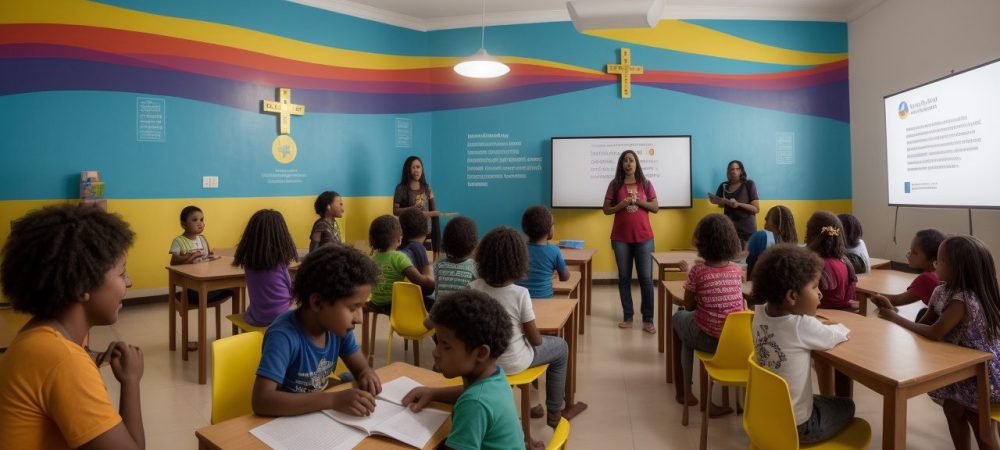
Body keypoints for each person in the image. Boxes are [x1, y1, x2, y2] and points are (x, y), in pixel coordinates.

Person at [0, 204, 146, 449]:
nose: (128, 283)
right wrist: (131, 380)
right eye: (122, 274)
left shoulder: (35, 335)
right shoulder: (64, 360)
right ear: (82, 288)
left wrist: (88, 359)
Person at [872, 235, 1000, 449]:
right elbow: (923, 325)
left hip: (982, 375)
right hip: (958, 368)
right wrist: (892, 310)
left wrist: (895, 317)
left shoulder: (964, 299)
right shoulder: (941, 291)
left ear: (957, 267)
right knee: (952, 410)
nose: (935, 264)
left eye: (940, 260)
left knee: (982, 429)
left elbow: (934, 333)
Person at [251, 244, 383, 417]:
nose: (359, 318)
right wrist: (333, 400)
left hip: (317, 415)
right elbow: (262, 401)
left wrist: (366, 374)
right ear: (317, 303)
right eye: (353, 308)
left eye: (362, 307)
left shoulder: (339, 329)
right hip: (285, 420)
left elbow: (361, 368)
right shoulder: (284, 335)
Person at [471, 227, 581, 430]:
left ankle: (532, 403)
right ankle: (555, 414)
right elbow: (536, 341)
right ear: (519, 261)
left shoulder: (474, 287)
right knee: (561, 348)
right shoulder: (520, 293)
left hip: (482, 362)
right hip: (513, 362)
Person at [750, 244, 854, 444]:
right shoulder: (801, 326)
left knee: (822, 401)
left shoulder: (759, 313)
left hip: (765, 417)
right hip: (800, 427)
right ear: (792, 296)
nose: (820, 294)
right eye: (815, 287)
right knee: (847, 405)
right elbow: (834, 336)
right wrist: (841, 326)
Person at [401, 290, 532, 450]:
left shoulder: (474, 405)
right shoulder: (495, 376)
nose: (435, 352)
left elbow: (473, 400)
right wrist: (433, 393)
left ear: (481, 353)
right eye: (438, 342)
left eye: (446, 346)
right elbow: (469, 393)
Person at [672, 214, 745, 414]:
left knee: (679, 318)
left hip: (708, 338)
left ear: (701, 242)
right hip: (735, 341)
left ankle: (685, 391)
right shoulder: (737, 270)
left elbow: (688, 305)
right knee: (691, 326)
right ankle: (728, 401)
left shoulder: (698, 272)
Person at [602, 150, 659, 333]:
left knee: (646, 279)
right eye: (625, 161)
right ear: (621, 164)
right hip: (621, 239)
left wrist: (637, 202)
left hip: (644, 238)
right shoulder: (615, 184)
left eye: (631, 160)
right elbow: (606, 210)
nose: (628, 163)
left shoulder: (646, 183)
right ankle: (628, 316)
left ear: (636, 164)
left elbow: (655, 207)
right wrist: (622, 204)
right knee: (624, 278)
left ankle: (648, 319)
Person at [167, 205, 233, 350]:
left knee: (234, 288)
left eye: (202, 220)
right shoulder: (179, 241)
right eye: (195, 220)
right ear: (184, 224)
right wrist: (189, 258)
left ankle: (235, 338)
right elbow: (174, 261)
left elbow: (208, 257)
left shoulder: (203, 240)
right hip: (191, 288)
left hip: (206, 282)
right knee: (230, 289)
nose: (200, 223)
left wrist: (213, 258)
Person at [232, 209, 299, 327]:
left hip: (256, 317)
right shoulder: (279, 265)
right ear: (281, 236)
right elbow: (289, 293)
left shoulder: (249, 263)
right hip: (280, 319)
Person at [871, 228, 946, 322]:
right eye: (911, 250)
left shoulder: (927, 278)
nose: (909, 254)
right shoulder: (940, 274)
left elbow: (897, 300)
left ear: (932, 259)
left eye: (914, 252)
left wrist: (869, 294)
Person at [367, 215, 435, 315]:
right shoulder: (399, 257)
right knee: (432, 303)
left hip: (376, 303)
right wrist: (430, 274)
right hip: (393, 306)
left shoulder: (373, 259)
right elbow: (420, 281)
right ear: (399, 239)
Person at [804, 212, 858, 311]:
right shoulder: (844, 261)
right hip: (844, 314)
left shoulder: (814, 264)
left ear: (810, 235)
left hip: (820, 315)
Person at [517, 205, 570, 298]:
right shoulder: (554, 251)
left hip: (520, 300)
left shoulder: (517, 249)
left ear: (525, 228)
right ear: (550, 229)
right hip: (544, 299)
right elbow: (565, 277)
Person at [393, 156, 442, 255]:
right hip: (408, 234)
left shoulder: (427, 188)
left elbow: (434, 211)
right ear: (408, 169)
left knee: (426, 262)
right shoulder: (401, 188)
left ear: (422, 169)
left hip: (426, 233)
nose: (416, 170)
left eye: (418, 167)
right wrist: (412, 210)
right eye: (413, 167)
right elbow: (395, 211)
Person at [709, 160, 759, 245]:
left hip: (747, 231)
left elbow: (756, 209)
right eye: (732, 169)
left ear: (741, 171)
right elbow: (721, 205)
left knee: (746, 257)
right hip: (729, 230)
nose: (734, 171)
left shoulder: (749, 184)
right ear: (728, 171)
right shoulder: (723, 185)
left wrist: (738, 204)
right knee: (730, 256)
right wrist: (717, 201)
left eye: (737, 169)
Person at [432, 216, 479, 301]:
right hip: (464, 313)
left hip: (439, 313)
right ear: (473, 245)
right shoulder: (476, 268)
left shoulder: (437, 266)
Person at [746, 205, 797, 276]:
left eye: (766, 221)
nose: (765, 226)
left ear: (777, 226)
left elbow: (749, 264)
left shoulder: (762, 236)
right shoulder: (795, 249)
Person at [398, 208, 434, 297]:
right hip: (412, 303)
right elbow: (428, 288)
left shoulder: (397, 248)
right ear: (426, 231)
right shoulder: (418, 248)